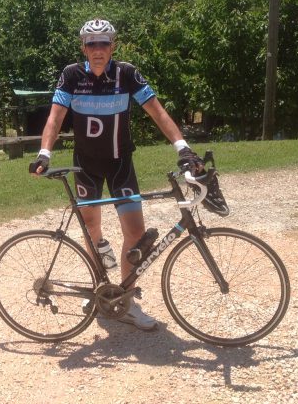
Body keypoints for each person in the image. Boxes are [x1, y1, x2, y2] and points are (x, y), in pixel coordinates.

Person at [29, 18, 203, 331]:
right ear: (83, 47)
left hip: (120, 163)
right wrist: (45, 152)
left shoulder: (127, 74)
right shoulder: (71, 75)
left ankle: (125, 301)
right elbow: (55, 118)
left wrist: (183, 147)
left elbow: (157, 112)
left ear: (113, 46)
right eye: (91, 43)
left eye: (104, 43)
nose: (98, 49)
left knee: (135, 232)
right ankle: (101, 290)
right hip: (85, 165)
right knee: (91, 228)